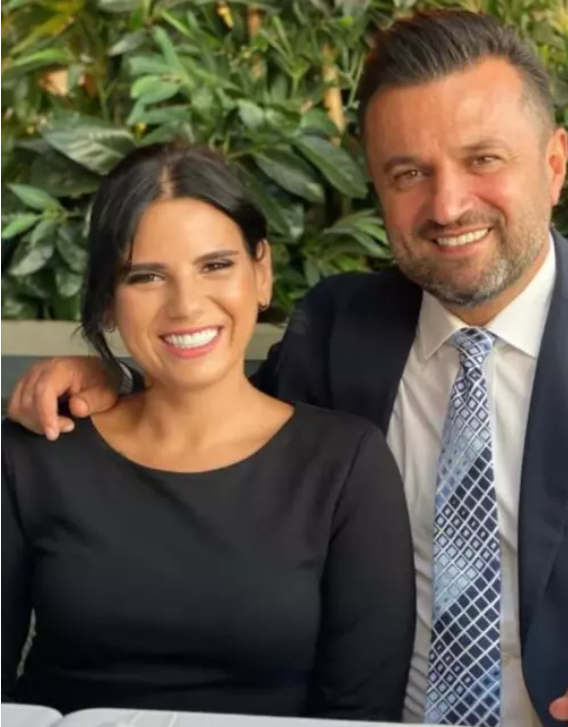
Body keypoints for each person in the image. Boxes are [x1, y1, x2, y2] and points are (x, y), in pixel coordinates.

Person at [7, 10, 568, 727]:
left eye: (483, 159)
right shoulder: (340, 328)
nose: (447, 205)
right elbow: (219, 435)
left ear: (554, 163)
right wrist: (116, 379)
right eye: (409, 173)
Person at [1, 143, 416, 720]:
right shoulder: (37, 450)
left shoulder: (345, 464)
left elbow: (361, 712)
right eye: (146, 276)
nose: (186, 305)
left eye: (215, 265)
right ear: (107, 301)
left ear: (261, 273)